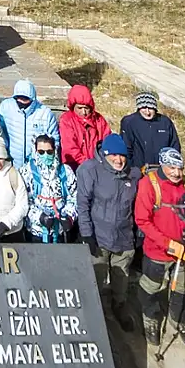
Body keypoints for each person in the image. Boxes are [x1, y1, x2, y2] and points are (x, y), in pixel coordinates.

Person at [134, 147, 185, 349]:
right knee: (151, 287)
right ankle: (151, 319)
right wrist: (168, 244)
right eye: (171, 167)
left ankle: (180, 320)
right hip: (158, 252)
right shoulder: (149, 185)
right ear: (162, 165)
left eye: (180, 168)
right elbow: (142, 220)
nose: (176, 173)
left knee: (184, 288)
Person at [77, 134, 141, 331]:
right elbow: (83, 204)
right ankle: (92, 311)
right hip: (99, 237)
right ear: (105, 154)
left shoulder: (135, 175)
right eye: (113, 155)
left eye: (122, 155)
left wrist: (139, 234)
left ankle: (118, 305)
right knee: (96, 276)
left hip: (124, 238)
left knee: (121, 278)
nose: (118, 159)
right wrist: (87, 234)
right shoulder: (90, 170)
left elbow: (139, 205)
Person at [20, 135, 78, 243]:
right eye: (41, 152)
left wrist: (69, 216)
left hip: (60, 230)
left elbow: (74, 197)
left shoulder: (65, 171)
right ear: (35, 151)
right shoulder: (27, 172)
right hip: (36, 231)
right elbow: (23, 201)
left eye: (49, 152)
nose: (45, 155)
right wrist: (39, 217)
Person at [0, 79, 60, 169]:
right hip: (13, 165)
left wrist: (48, 160)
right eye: (19, 97)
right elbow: (0, 131)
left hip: (37, 167)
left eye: (25, 98)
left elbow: (55, 140)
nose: (22, 101)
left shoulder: (45, 113)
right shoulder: (6, 107)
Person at [120, 91, 180, 170]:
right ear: (138, 107)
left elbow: (174, 147)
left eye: (151, 108)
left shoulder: (165, 122)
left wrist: (171, 168)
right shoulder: (129, 122)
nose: (147, 112)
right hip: (138, 171)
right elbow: (126, 149)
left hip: (162, 171)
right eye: (144, 108)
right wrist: (131, 170)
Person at [59, 85, 111, 171]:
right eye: (79, 108)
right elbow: (70, 148)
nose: (83, 112)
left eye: (86, 108)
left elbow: (107, 141)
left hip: (98, 165)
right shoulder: (66, 120)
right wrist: (88, 164)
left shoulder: (99, 120)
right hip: (75, 166)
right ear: (73, 106)